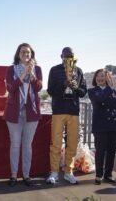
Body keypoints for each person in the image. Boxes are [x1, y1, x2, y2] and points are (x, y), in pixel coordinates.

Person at [3, 43, 43, 187]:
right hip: (14, 113)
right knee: (15, 145)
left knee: (27, 145)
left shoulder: (37, 69)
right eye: (23, 52)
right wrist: (23, 73)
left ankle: (26, 175)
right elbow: (10, 88)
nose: (26, 54)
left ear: (31, 54)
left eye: (28, 52)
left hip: (31, 112)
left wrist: (31, 73)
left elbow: (38, 87)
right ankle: (13, 175)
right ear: (18, 54)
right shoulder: (11, 69)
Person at [46, 47, 87, 184]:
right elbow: (51, 91)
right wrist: (64, 84)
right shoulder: (54, 70)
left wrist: (76, 87)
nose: (68, 58)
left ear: (74, 57)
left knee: (72, 143)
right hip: (58, 110)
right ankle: (54, 172)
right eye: (66, 56)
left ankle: (69, 172)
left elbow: (83, 92)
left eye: (71, 56)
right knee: (56, 143)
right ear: (61, 56)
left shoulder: (79, 71)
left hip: (74, 111)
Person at [88, 69, 116, 185]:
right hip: (100, 126)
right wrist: (110, 87)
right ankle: (99, 175)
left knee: (111, 152)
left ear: (108, 77)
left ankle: (108, 174)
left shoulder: (114, 91)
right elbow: (100, 99)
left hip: (114, 125)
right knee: (100, 151)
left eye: (103, 76)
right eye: (98, 76)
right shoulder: (92, 91)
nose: (100, 78)